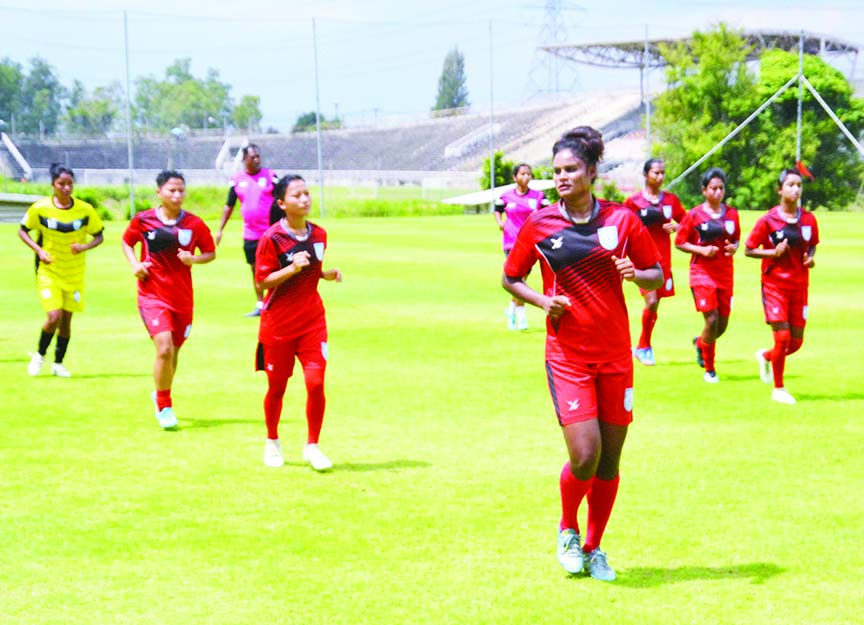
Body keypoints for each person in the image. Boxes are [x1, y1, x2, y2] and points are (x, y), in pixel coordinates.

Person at [502, 127, 662, 581]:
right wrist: (541, 301)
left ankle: (594, 548)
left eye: (571, 169)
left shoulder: (623, 220)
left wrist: (636, 273)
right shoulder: (541, 223)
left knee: (610, 462)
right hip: (567, 355)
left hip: (615, 356)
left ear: (592, 172)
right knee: (585, 454)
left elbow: (656, 274)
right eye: (556, 171)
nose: (562, 178)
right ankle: (567, 529)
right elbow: (510, 277)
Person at [254, 174, 342, 470]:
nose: (304, 199)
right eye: (297, 195)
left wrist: (325, 274)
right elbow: (262, 282)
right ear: (282, 204)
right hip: (278, 325)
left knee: (316, 383)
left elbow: (311, 271)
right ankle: (272, 441)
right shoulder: (271, 238)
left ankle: (313, 446)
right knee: (277, 388)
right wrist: (291, 268)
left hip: (312, 322)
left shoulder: (319, 234)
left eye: (307, 193)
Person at [121, 170, 216, 429]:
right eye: (171, 190)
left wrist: (193, 259)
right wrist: (135, 264)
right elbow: (127, 242)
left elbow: (210, 252)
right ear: (159, 192)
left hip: (182, 298)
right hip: (152, 295)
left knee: (173, 352)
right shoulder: (144, 220)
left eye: (181, 190)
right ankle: (164, 405)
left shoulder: (194, 224)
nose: (177, 194)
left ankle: (160, 392)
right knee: (163, 348)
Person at [19, 163, 104, 377]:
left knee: (66, 320)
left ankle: (58, 364)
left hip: (74, 273)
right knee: (53, 317)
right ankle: (39, 356)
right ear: (53, 185)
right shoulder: (40, 208)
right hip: (49, 272)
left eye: (69, 183)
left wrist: (84, 246)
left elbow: (99, 236)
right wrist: (39, 251)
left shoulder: (85, 210)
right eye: (61, 184)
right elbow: (23, 231)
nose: (66, 188)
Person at [744, 168, 818, 405]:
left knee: (796, 343)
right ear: (780, 189)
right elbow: (748, 249)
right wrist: (771, 252)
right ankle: (778, 388)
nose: (796, 189)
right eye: (790, 185)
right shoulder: (768, 220)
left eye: (799, 185)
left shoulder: (808, 219)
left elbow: (812, 244)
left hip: (800, 286)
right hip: (774, 285)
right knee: (783, 337)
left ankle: (765, 356)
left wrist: (809, 257)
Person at [674, 168, 741, 383]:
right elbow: (680, 242)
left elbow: (737, 239)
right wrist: (702, 250)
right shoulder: (694, 215)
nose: (718, 192)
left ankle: (700, 343)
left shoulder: (731, 214)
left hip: (725, 273)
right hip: (702, 273)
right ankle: (710, 370)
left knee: (721, 325)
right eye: (713, 188)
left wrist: (733, 247)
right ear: (704, 190)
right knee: (711, 320)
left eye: (721, 188)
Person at [623, 158, 686, 365]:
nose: (660, 176)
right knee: (650, 300)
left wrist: (676, 228)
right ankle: (644, 346)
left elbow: (687, 222)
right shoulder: (633, 202)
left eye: (662, 172)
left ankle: (641, 345)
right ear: (646, 175)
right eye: (656, 172)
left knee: (655, 304)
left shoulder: (671, 201)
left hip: (663, 259)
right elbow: (621, 226)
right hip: (641, 259)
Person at [215, 144, 279, 317]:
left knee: (273, 268)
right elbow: (229, 205)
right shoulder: (237, 180)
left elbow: (283, 200)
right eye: (252, 157)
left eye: (258, 156)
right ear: (244, 159)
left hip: (270, 233)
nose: (257, 160)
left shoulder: (270, 176)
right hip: (250, 234)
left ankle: (273, 301)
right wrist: (220, 229)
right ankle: (260, 304)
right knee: (255, 269)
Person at [494, 163, 549, 330]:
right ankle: (520, 314)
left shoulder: (539, 196)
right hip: (511, 242)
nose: (526, 177)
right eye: (522, 174)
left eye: (528, 174)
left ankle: (511, 309)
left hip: (531, 243)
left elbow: (548, 212)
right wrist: (500, 222)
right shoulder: (505, 196)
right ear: (515, 177)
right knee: (518, 278)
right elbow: (497, 209)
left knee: (522, 279)